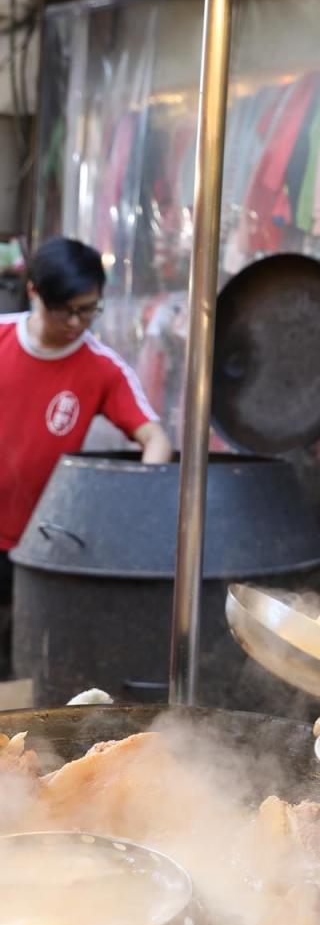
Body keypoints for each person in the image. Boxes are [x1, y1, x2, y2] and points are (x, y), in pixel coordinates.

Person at [0, 238, 172, 668]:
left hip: (34, 546)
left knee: (18, 667)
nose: (77, 322)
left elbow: (156, 439)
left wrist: (138, 504)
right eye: (66, 310)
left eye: (88, 309)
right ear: (35, 291)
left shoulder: (102, 367)